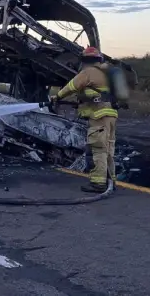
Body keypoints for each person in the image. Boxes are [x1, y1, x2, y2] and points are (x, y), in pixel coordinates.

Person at [50, 46, 117, 193]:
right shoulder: (107, 74)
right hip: (111, 115)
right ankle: (111, 180)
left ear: (85, 60)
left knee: (98, 149)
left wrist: (57, 97)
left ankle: (98, 184)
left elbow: (71, 86)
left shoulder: (88, 72)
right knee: (108, 149)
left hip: (98, 116)